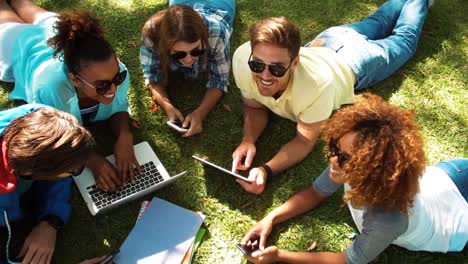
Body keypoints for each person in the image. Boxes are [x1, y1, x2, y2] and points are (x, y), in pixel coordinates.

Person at [231, 0, 432, 194]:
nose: (264, 76)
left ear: (294, 63)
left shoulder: (316, 87)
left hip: (356, 59)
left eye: (276, 69)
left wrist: (266, 169)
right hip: (329, 40)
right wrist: (248, 140)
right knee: (379, 21)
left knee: (404, 41)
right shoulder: (242, 59)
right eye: (258, 65)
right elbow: (255, 107)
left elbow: (304, 141)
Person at [239, 94, 468, 264]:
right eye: (334, 148)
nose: (333, 160)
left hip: (460, 216)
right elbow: (316, 192)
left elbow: (348, 260)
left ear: (377, 170)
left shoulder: (387, 217)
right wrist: (271, 218)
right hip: (449, 174)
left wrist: (280, 256)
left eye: (346, 158)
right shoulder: (343, 166)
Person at [0, 0, 139, 192]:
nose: (114, 87)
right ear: (75, 80)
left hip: (55, 30)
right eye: (103, 85)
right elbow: (56, 136)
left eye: (118, 77)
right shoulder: (50, 89)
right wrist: (93, 161)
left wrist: (125, 136)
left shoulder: (117, 74)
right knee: (5, 13)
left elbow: (119, 107)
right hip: (23, 45)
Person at [0, 104, 94, 264]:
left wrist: (51, 221)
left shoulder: (41, 117)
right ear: (31, 172)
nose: (77, 171)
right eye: (74, 170)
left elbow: (58, 172)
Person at [140, 0, 235, 137]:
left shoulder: (216, 32)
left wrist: (200, 113)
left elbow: (219, 80)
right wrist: (168, 107)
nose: (189, 59)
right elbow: (151, 75)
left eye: (197, 51)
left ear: (204, 38)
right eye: (179, 54)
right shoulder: (152, 34)